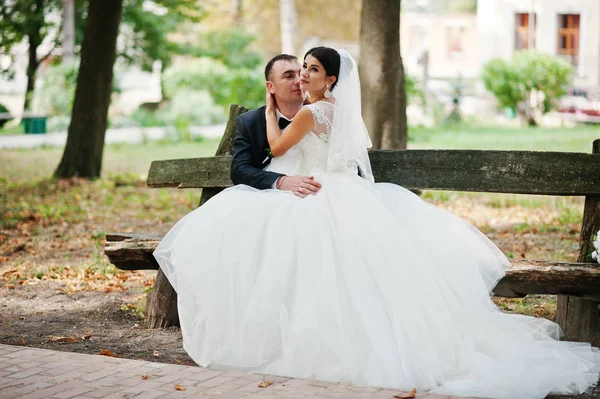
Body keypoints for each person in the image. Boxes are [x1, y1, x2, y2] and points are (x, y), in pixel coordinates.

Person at [154, 47, 599, 399]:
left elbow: (287, 144)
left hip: (322, 196)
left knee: (336, 276)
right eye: (294, 71)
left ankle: (321, 350)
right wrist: (277, 165)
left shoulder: (312, 112)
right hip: (319, 194)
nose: (301, 76)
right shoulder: (316, 111)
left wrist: (273, 119)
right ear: (271, 83)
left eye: (306, 69)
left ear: (329, 78)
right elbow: (248, 166)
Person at [231, 53, 322, 197]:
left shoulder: (323, 117)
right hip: (269, 197)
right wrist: (281, 181)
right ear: (270, 87)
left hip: (320, 195)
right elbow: (239, 170)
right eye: (289, 76)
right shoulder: (250, 122)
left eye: (301, 74)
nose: (299, 80)